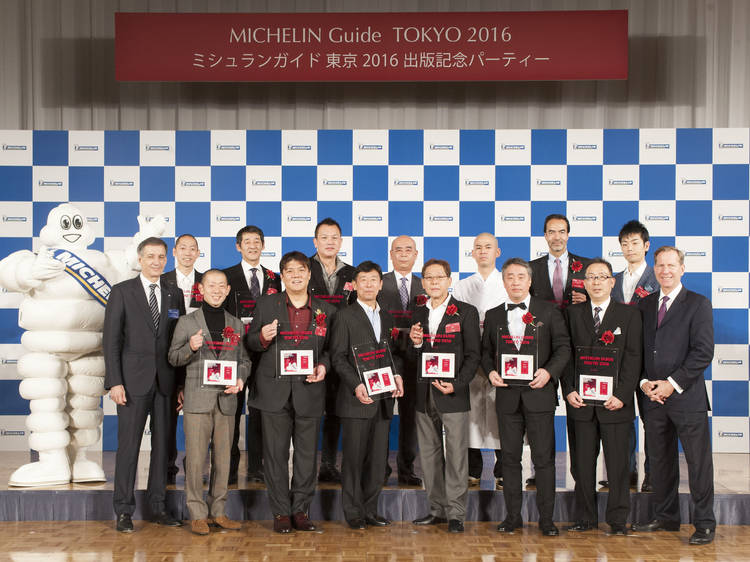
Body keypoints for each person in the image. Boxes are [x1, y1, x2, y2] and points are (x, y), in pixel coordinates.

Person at [246, 251, 336, 534]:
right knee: (274, 455)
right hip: (273, 390)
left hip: (309, 390)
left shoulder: (326, 310)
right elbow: (250, 341)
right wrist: (262, 336)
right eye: (289, 270)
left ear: (310, 274)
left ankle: (300, 510)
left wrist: (323, 366)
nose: (296, 275)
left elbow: (333, 350)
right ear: (282, 275)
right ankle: (281, 512)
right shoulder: (267, 304)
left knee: (307, 456)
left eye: (301, 270)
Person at [632, 246, 716, 546]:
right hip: (652, 399)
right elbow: (637, 351)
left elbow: (703, 353)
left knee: (698, 463)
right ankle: (666, 517)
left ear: (682, 268)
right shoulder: (644, 305)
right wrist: (643, 384)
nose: (665, 270)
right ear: (653, 268)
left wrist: (671, 383)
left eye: (671, 265)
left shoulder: (698, 304)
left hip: (686, 398)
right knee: (660, 462)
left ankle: (705, 523)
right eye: (660, 265)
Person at [482, 257, 570, 536]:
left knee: (543, 460)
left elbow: (563, 348)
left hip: (539, 395)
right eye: (510, 277)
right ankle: (512, 517)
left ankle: (547, 519)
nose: (515, 282)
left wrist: (548, 372)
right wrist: (490, 372)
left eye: (521, 277)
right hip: (507, 397)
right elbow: (485, 352)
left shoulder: (549, 311)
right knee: (509, 459)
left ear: (530, 281)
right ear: (503, 281)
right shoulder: (494, 314)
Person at [103, 237, 185, 533]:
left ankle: (158, 507)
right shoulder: (122, 292)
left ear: (167, 260)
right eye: (150, 256)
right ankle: (123, 510)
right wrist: (114, 381)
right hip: (132, 383)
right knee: (128, 448)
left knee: (163, 449)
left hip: (165, 382)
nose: (156, 261)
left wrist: (181, 386)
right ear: (140, 259)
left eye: (161, 256)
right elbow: (111, 342)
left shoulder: (174, 294)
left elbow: (180, 341)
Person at [562, 258, 642, 536]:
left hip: (615, 404)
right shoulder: (571, 314)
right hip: (580, 403)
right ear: (584, 283)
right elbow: (565, 355)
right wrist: (569, 389)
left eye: (602, 277)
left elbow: (634, 358)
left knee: (618, 466)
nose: (596, 282)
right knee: (582, 465)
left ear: (612, 282)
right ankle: (585, 518)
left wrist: (622, 394)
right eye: (591, 277)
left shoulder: (629, 315)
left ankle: (618, 519)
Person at [167, 269, 248, 535]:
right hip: (197, 400)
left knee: (224, 460)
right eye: (210, 285)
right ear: (200, 289)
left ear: (227, 291)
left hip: (226, 400)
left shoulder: (235, 323)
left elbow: (245, 360)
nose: (216, 290)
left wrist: (240, 379)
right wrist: (190, 346)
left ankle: (219, 511)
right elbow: (173, 358)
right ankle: (197, 513)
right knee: (196, 459)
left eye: (221, 286)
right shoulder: (187, 322)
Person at [330, 261, 404, 529]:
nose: (370, 284)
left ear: (381, 284)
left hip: (383, 399)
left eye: (374, 279)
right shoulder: (344, 316)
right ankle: (353, 512)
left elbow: (392, 354)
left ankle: (371, 510)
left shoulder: (387, 317)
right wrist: (355, 385)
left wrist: (397, 375)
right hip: (356, 400)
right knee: (353, 460)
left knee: (377, 461)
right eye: (364, 280)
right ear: (355, 285)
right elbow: (338, 358)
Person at [409, 258, 481, 533]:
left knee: (457, 456)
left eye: (439, 277)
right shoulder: (417, 312)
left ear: (449, 280)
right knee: (428, 455)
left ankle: (456, 514)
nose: (434, 282)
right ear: (423, 282)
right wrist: (415, 344)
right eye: (428, 278)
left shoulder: (465, 312)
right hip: (423, 393)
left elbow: (473, 355)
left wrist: (458, 384)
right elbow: (413, 354)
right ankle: (436, 509)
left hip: (453, 394)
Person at [529, 213, 589, 484]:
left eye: (562, 231)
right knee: (539, 414)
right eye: (551, 232)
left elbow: (602, 301)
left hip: (578, 347)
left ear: (568, 234)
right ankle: (540, 473)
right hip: (542, 349)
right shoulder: (532, 268)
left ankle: (581, 475)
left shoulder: (587, 267)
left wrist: (588, 297)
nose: (557, 237)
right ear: (544, 235)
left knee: (582, 413)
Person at [223, 225, 282, 485]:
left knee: (260, 411)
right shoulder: (226, 276)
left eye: (257, 241)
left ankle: (257, 468)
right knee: (230, 413)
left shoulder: (274, 277)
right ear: (238, 246)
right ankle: (229, 468)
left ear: (263, 245)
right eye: (247, 242)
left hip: (265, 352)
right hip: (234, 352)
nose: (252, 246)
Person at [452, 233, 507, 489]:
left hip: (500, 358)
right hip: (471, 357)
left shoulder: (507, 282)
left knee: (501, 412)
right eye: (478, 247)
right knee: (470, 413)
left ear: (498, 252)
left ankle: (503, 468)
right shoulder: (463, 286)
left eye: (488, 247)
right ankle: (472, 469)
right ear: (472, 253)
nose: (483, 251)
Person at [308, 217, 358, 483]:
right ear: (315, 242)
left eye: (334, 237)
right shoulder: (301, 268)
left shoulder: (352, 273)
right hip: (310, 349)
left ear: (340, 241)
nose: (329, 242)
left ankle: (328, 464)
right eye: (324, 237)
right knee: (309, 409)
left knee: (336, 410)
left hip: (342, 350)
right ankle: (305, 465)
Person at [611, 220, 658, 493]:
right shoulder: (613, 280)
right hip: (619, 361)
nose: (630, 248)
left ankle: (653, 474)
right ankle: (625, 471)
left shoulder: (657, 278)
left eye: (635, 243)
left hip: (650, 361)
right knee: (621, 419)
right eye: (625, 244)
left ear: (646, 245)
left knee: (652, 421)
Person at [377, 235, 425, 486]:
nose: (404, 253)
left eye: (409, 249)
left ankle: (407, 470)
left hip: (416, 360)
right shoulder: (378, 283)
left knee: (410, 418)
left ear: (416, 254)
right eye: (399, 249)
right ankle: (380, 468)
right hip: (382, 358)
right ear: (391, 254)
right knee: (383, 415)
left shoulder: (425, 284)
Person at [161, 233, 203, 485]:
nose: (188, 253)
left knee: (198, 417)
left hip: (198, 359)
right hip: (169, 357)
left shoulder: (207, 281)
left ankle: (195, 467)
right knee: (167, 417)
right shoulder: (162, 280)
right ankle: (167, 466)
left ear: (198, 253)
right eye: (183, 248)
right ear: (174, 252)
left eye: (193, 249)